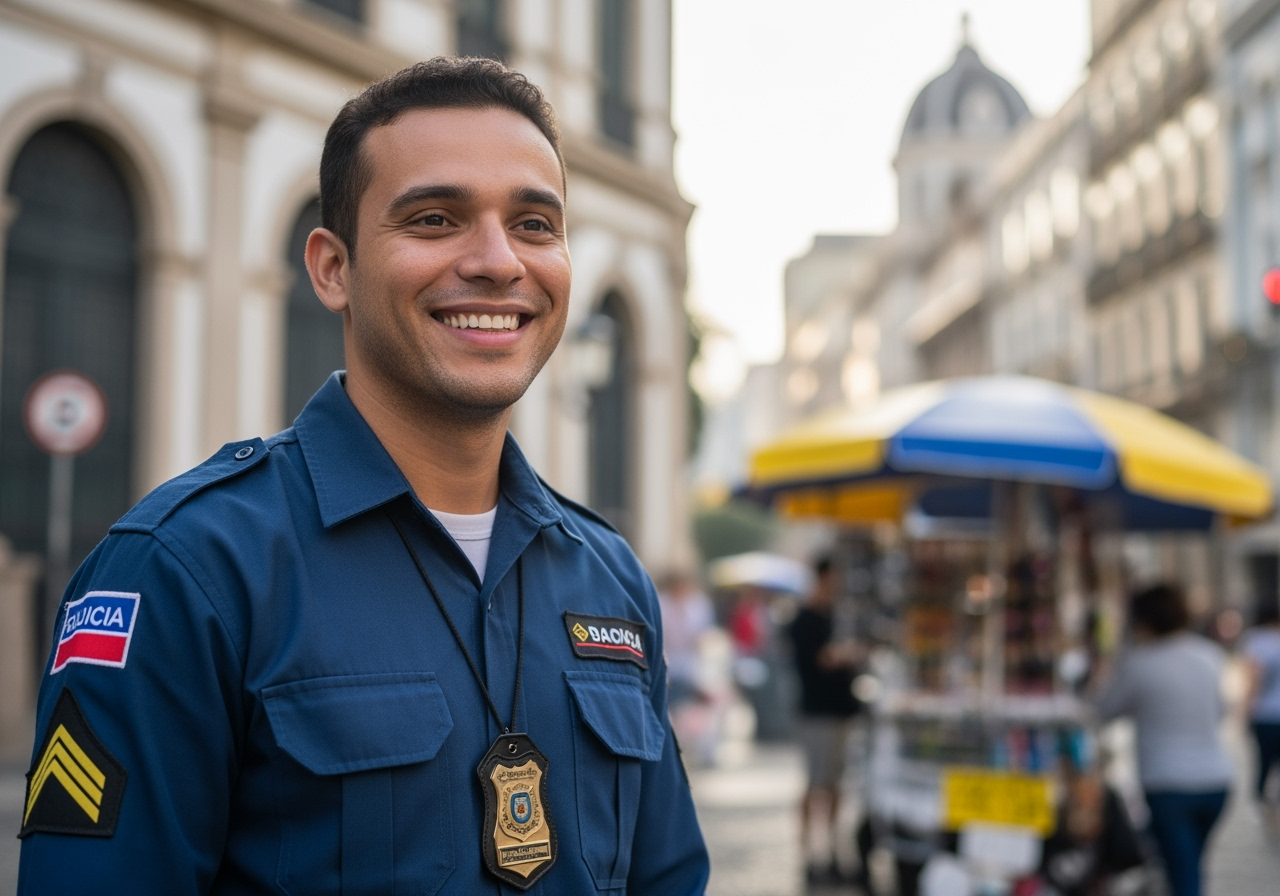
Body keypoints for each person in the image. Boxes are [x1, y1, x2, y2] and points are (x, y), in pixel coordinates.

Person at [17, 57, 709, 894]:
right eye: (435, 219)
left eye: (533, 224)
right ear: (332, 268)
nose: (498, 261)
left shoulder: (613, 582)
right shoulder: (185, 571)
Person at [1095, 583, 1232, 896]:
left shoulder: (1140, 664)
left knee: (1182, 871)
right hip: (1216, 779)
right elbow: (1220, 710)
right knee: (1190, 864)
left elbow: (1104, 710)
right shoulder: (1208, 654)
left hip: (1168, 783)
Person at [789, 555, 862, 886]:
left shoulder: (835, 615)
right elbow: (819, 659)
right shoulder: (804, 618)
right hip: (817, 712)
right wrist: (845, 655)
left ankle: (830, 851)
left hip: (838, 709)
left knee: (833, 786)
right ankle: (809, 856)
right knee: (816, 784)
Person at [1241, 598, 1280, 828]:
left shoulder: (1256, 640)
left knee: (1264, 763)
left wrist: (1245, 711)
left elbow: (1254, 680)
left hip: (1265, 715)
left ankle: (1267, 808)